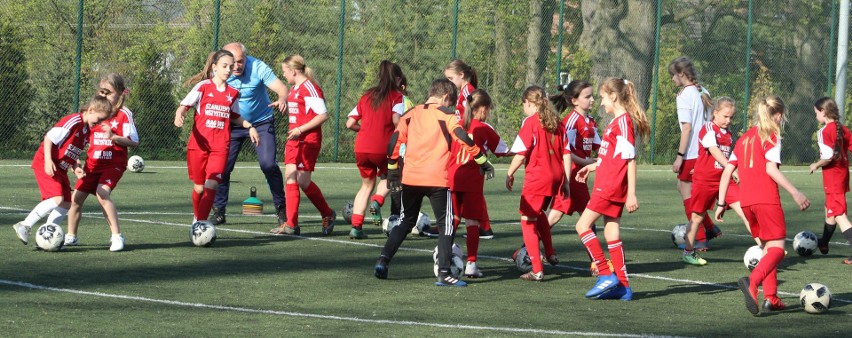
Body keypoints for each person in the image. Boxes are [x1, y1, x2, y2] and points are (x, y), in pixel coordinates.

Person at [373, 78, 494, 287]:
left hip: (410, 177)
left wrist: (392, 171)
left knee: (405, 222)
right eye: (450, 102)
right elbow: (462, 137)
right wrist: (482, 161)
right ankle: (445, 273)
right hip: (438, 179)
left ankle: (383, 261)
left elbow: (394, 141)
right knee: (446, 224)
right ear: (446, 97)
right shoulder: (446, 115)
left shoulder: (410, 114)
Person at [715, 95, 810, 315]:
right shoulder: (772, 135)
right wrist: (795, 192)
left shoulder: (744, 138)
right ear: (778, 115)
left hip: (747, 202)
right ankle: (753, 282)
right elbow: (770, 169)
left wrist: (721, 203)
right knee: (777, 250)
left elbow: (728, 170)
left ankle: (771, 298)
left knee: (768, 249)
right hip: (766, 199)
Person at [574, 78, 650, 301]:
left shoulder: (623, 123)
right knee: (611, 232)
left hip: (609, 187)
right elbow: (611, 157)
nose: (600, 103)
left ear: (614, 97)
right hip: (608, 183)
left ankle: (605, 273)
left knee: (582, 225)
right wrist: (592, 165)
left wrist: (632, 193)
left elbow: (630, 159)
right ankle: (624, 288)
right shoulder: (617, 122)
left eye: (603, 98)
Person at [12, 96, 112, 245]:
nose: (99, 123)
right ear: (90, 110)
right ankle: (25, 225)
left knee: (66, 203)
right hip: (46, 163)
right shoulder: (73, 121)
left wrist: (76, 166)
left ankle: (47, 236)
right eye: (99, 118)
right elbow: (49, 138)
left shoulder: (86, 131)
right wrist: (48, 160)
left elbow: (72, 150)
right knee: (57, 199)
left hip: (61, 168)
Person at [174, 50, 259, 225]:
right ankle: (197, 218)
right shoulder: (203, 87)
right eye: (224, 66)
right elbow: (185, 105)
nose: (229, 69)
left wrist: (250, 126)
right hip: (199, 145)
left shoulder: (233, 93)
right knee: (199, 188)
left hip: (220, 146)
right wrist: (179, 113)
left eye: (231, 66)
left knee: (211, 184)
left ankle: (201, 224)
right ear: (214, 67)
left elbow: (234, 115)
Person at [212, 42, 289, 228]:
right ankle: (219, 212)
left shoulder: (258, 67)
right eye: (232, 62)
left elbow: (282, 88)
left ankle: (282, 210)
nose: (236, 66)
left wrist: (282, 98)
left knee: (269, 165)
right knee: (222, 168)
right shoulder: (221, 71)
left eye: (240, 61)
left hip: (261, 122)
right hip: (233, 124)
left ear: (246, 59)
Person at [65, 74, 139, 252]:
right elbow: (76, 141)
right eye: (102, 92)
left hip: (113, 164)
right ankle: (71, 236)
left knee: (101, 193)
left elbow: (134, 141)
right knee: (75, 199)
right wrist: (76, 164)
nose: (105, 96)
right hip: (92, 165)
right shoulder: (92, 113)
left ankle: (117, 236)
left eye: (109, 93)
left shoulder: (123, 114)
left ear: (121, 93)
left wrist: (113, 137)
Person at [506, 86, 571, 281]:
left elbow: (520, 153)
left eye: (523, 104)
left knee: (527, 220)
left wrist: (510, 173)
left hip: (538, 178)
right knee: (538, 213)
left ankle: (537, 269)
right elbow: (566, 153)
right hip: (556, 177)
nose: (523, 108)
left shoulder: (531, 123)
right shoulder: (557, 122)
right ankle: (550, 252)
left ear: (529, 103)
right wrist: (566, 181)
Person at [270, 55, 336, 236]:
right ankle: (292, 224)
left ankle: (328, 214)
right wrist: (282, 102)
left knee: (303, 181)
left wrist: (300, 129)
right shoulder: (294, 89)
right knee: (290, 177)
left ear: (293, 71)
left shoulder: (310, 88)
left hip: (307, 140)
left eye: (284, 71)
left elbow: (322, 115)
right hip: (294, 139)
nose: (283, 75)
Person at [682, 97, 754, 265]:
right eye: (725, 116)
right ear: (715, 113)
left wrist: (734, 170)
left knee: (746, 210)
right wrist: (732, 168)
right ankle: (688, 252)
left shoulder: (728, 134)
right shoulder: (708, 128)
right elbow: (714, 151)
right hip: (705, 181)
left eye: (731, 117)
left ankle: (766, 249)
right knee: (697, 217)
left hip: (724, 180)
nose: (728, 121)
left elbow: (728, 156)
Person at [449, 89, 510, 278]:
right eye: (488, 109)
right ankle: (471, 264)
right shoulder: (484, 128)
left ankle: (446, 257)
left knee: (453, 219)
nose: (488, 112)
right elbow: (503, 150)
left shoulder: (457, 124)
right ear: (482, 109)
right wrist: (525, 152)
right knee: (473, 221)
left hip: (452, 176)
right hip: (472, 179)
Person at [546, 81, 602, 276]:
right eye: (587, 97)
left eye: (592, 95)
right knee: (586, 218)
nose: (592, 99)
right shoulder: (571, 121)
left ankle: (525, 250)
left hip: (580, 178)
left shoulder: (590, 121)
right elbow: (565, 151)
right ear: (574, 101)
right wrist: (587, 161)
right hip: (570, 177)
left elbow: (599, 146)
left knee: (555, 217)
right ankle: (596, 262)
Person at [345, 60, 406, 239]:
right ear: (397, 78)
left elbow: (350, 123)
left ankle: (356, 227)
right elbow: (396, 120)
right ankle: (377, 201)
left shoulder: (367, 95)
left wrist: (364, 130)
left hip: (362, 147)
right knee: (394, 177)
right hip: (384, 146)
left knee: (366, 185)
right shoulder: (397, 96)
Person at [669, 57, 719, 250]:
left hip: (692, 153)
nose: (672, 79)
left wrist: (679, 156)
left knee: (688, 193)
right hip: (706, 151)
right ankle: (709, 227)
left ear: (681, 74)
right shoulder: (703, 91)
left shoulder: (684, 95)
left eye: (673, 75)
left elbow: (687, 128)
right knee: (684, 188)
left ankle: (699, 239)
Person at [443, 59, 493, 239]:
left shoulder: (469, 93)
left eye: (451, 78)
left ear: (461, 75)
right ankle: (483, 227)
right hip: (461, 142)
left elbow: (471, 121)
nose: (449, 82)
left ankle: (478, 226)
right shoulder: (463, 92)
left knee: (467, 186)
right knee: (469, 188)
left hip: (466, 145)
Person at [808, 97, 852, 264]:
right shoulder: (842, 128)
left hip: (833, 177)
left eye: (816, 113)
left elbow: (827, 157)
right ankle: (824, 242)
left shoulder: (824, 131)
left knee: (839, 214)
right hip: (842, 174)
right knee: (830, 209)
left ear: (823, 112)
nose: (816, 116)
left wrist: (815, 165)